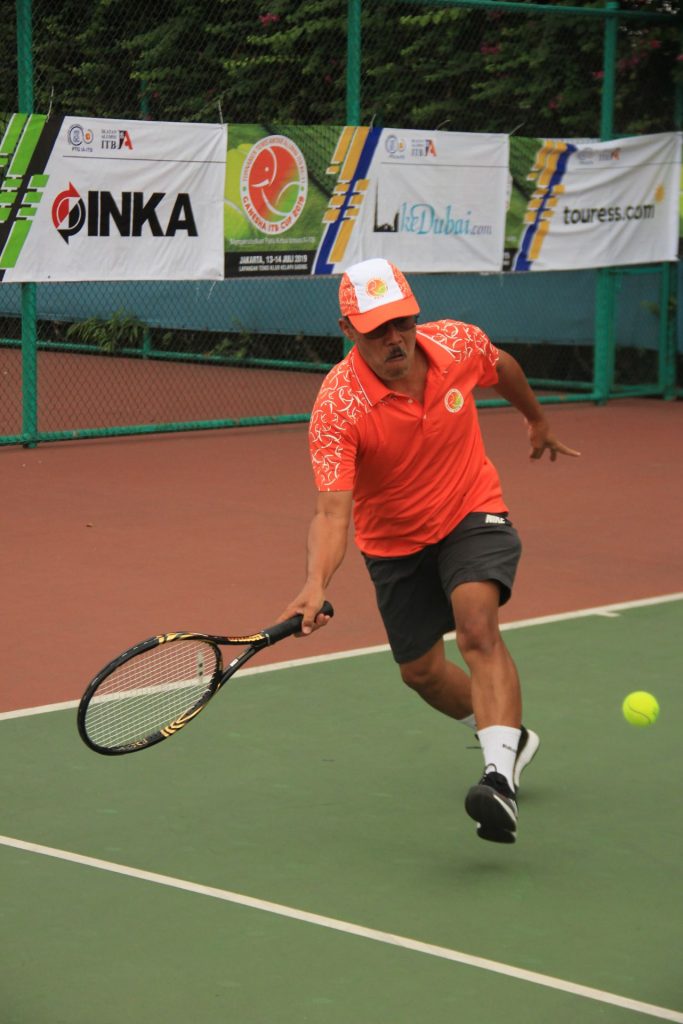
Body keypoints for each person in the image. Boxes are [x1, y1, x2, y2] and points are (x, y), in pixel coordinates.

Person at [278, 258, 580, 845]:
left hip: (471, 509)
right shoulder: (338, 407)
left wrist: (536, 419)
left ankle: (498, 778)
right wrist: (315, 583)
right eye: (377, 329)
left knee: (476, 627)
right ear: (348, 330)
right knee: (420, 672)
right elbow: (332, 512)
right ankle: (509, 735)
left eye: (402, 321)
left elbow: (502, 366)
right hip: (393, 541)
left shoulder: (456, 343)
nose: (395, 338)